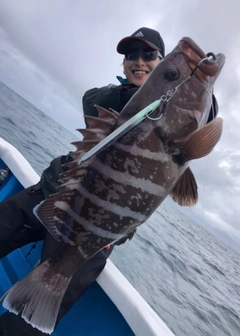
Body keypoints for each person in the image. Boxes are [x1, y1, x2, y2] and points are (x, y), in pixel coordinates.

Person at [0, 27, 169, 336]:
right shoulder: (110, 98)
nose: (139, 61)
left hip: (92, 228)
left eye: (149, 55)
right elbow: (89, 100)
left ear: (163, 63)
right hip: (51, 194)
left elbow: (206, 114)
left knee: (28, 323)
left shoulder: (167, 112)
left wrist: (190, 94)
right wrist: (129, 96)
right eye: (131, 55)